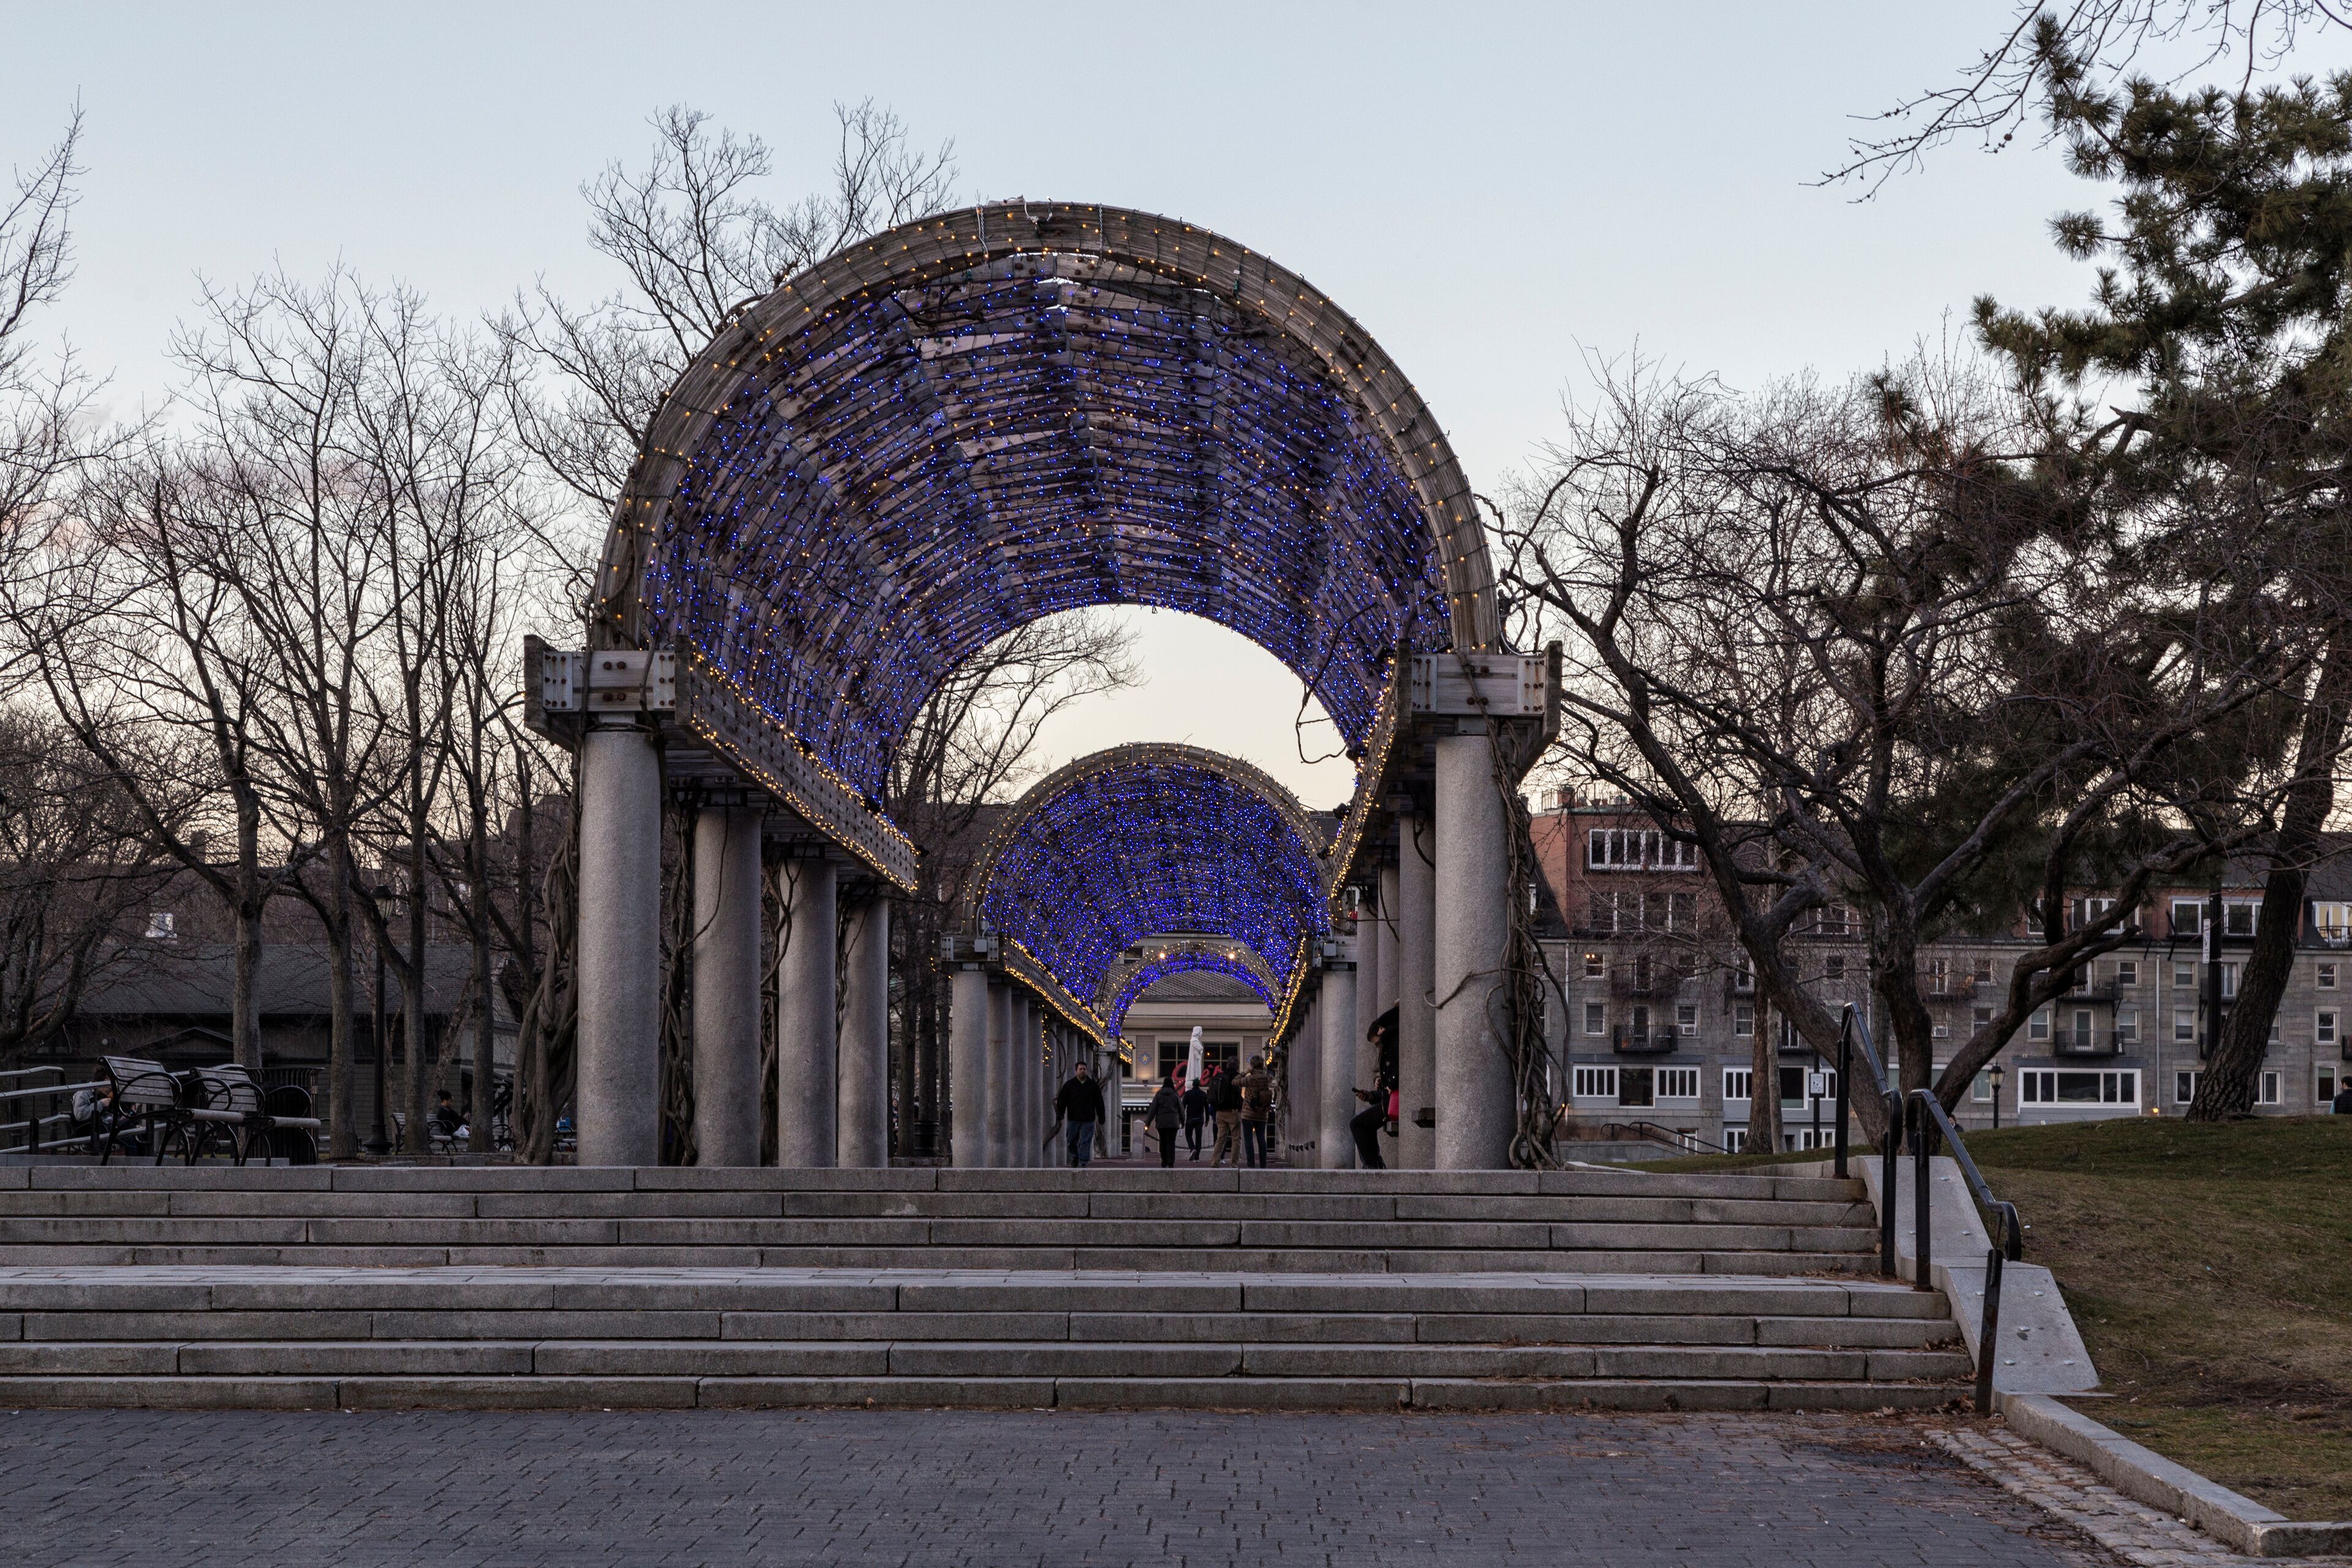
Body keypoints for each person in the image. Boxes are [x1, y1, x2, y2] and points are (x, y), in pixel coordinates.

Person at [1054, 1060, 1107, 1167]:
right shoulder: (1069, 1085)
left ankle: (1083, 1161)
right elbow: (1062, 1100)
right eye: (1080, 1069)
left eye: (1084, 1069)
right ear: (1076, 1071)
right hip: (1073, 1118)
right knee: (1071, 1140)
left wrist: (1101, 1116)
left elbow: (1099, 1102)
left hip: (1088, 1119)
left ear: (1087, 1071)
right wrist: (1060, 1113)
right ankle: (1075, 1156)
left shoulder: (1092, 1086)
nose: (1082, 1071)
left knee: (1085, 1141)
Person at [1237, 1055, 1273, 1169]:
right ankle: (1263, 1164)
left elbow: (1235, 1082)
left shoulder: (1250, 1079)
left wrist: (1245, 1072)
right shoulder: (1267, 1078)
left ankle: (1251, 1164)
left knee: (1248, 1140)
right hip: (1262, 1112)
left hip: (1248, 1112)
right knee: (1261, 1138)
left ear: (1252, 1065)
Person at [1145, 1072, 1185, 1168]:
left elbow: (1153, 1110)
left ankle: (1164, 1161)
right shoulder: (1175, 1095)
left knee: (1163, 1142)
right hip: (1173, 1123)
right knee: (1171, 1142)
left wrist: (1148, 1123)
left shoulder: (1159, 1095)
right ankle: (1171, 1161)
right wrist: (1183, 1121)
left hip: (1162, 1123)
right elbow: (1181, 1109)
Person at [1351, 1078, 1391, 1170]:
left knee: (1357, 1124)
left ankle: (1373, 1167)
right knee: (1361, 1123)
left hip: (1396, 1103)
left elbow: (1395, 1086)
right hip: (1390, 1101)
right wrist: (1372, 1096)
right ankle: (1375, 1165)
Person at [1210, 1063, 1245, 1167]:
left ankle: (1215, 1161)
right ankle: (1234, 1163)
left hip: (1220, 1112)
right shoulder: (1236, 1078)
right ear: (1237, 1066)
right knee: (1236, 1139)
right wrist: (1236, 1107)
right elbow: (1236, 1093)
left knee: (1220, 1138)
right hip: (1233, 1112)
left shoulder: (1219, 1077)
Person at [1180, 1074, 1210, 1161]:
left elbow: (1183, 1107)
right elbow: (1206, 1108)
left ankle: (1192, 1148)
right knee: (1199, 1138)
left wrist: (1182, 1119)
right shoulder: (1203, 1094)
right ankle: (1197, 1158)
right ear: (1200, 1085)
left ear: (1193, 1085)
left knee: (1188, 1135)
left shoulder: (1188, 1094)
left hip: (1190, 1118)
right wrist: (1207, 1119)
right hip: (1200, 1119)